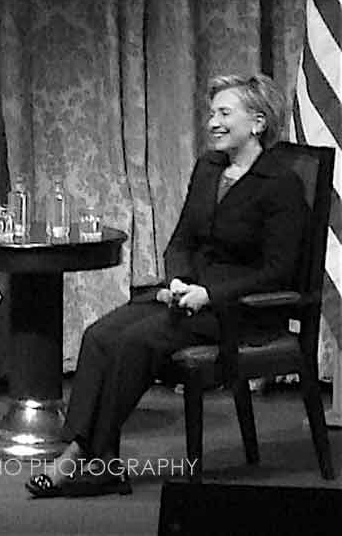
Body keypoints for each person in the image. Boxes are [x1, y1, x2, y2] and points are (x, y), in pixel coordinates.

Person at [26, 73, 308, 497]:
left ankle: (80, 455)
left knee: (135, 342)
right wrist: (177, 280)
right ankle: (99, 458)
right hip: (187, 295)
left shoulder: (281, 183)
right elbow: (181, 241)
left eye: (224, 113)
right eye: (211, 113)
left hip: (239, 309)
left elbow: (279, 270)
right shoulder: (209, 168)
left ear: (258, 122)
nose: (212, 122)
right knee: (100, 335)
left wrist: (210, 295)